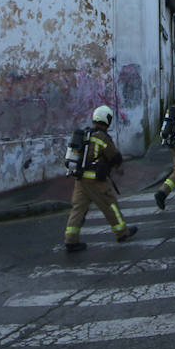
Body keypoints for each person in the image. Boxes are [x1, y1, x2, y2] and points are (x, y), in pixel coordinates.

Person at [62, 105, 138, 252]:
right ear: (107, 120)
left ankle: (70, 240)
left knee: (78, 209)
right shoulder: (102, 138)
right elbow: (114, 156)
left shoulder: (84, 134)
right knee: (110, 205)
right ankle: (122, 232)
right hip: (96, 181)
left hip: (80, 180)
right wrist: (118, 166)